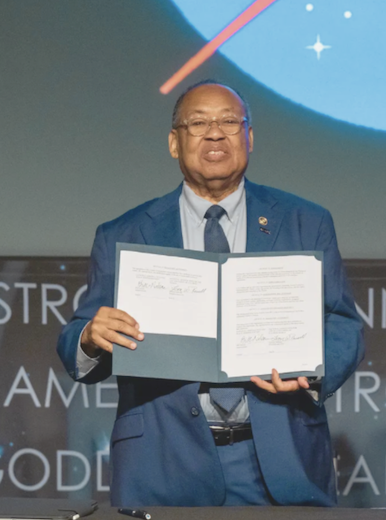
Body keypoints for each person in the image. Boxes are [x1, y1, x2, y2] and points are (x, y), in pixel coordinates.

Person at [57, 80, 364, 507]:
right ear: (173, 142)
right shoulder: (124, 233)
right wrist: (91, 335)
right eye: (198, 123)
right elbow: (76, 340)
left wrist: (312, 371)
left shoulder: (304, 221)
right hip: (162, 463)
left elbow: (342, 323)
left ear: (249, 138)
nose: (215, 133)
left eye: (228, 122)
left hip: (279, 457)